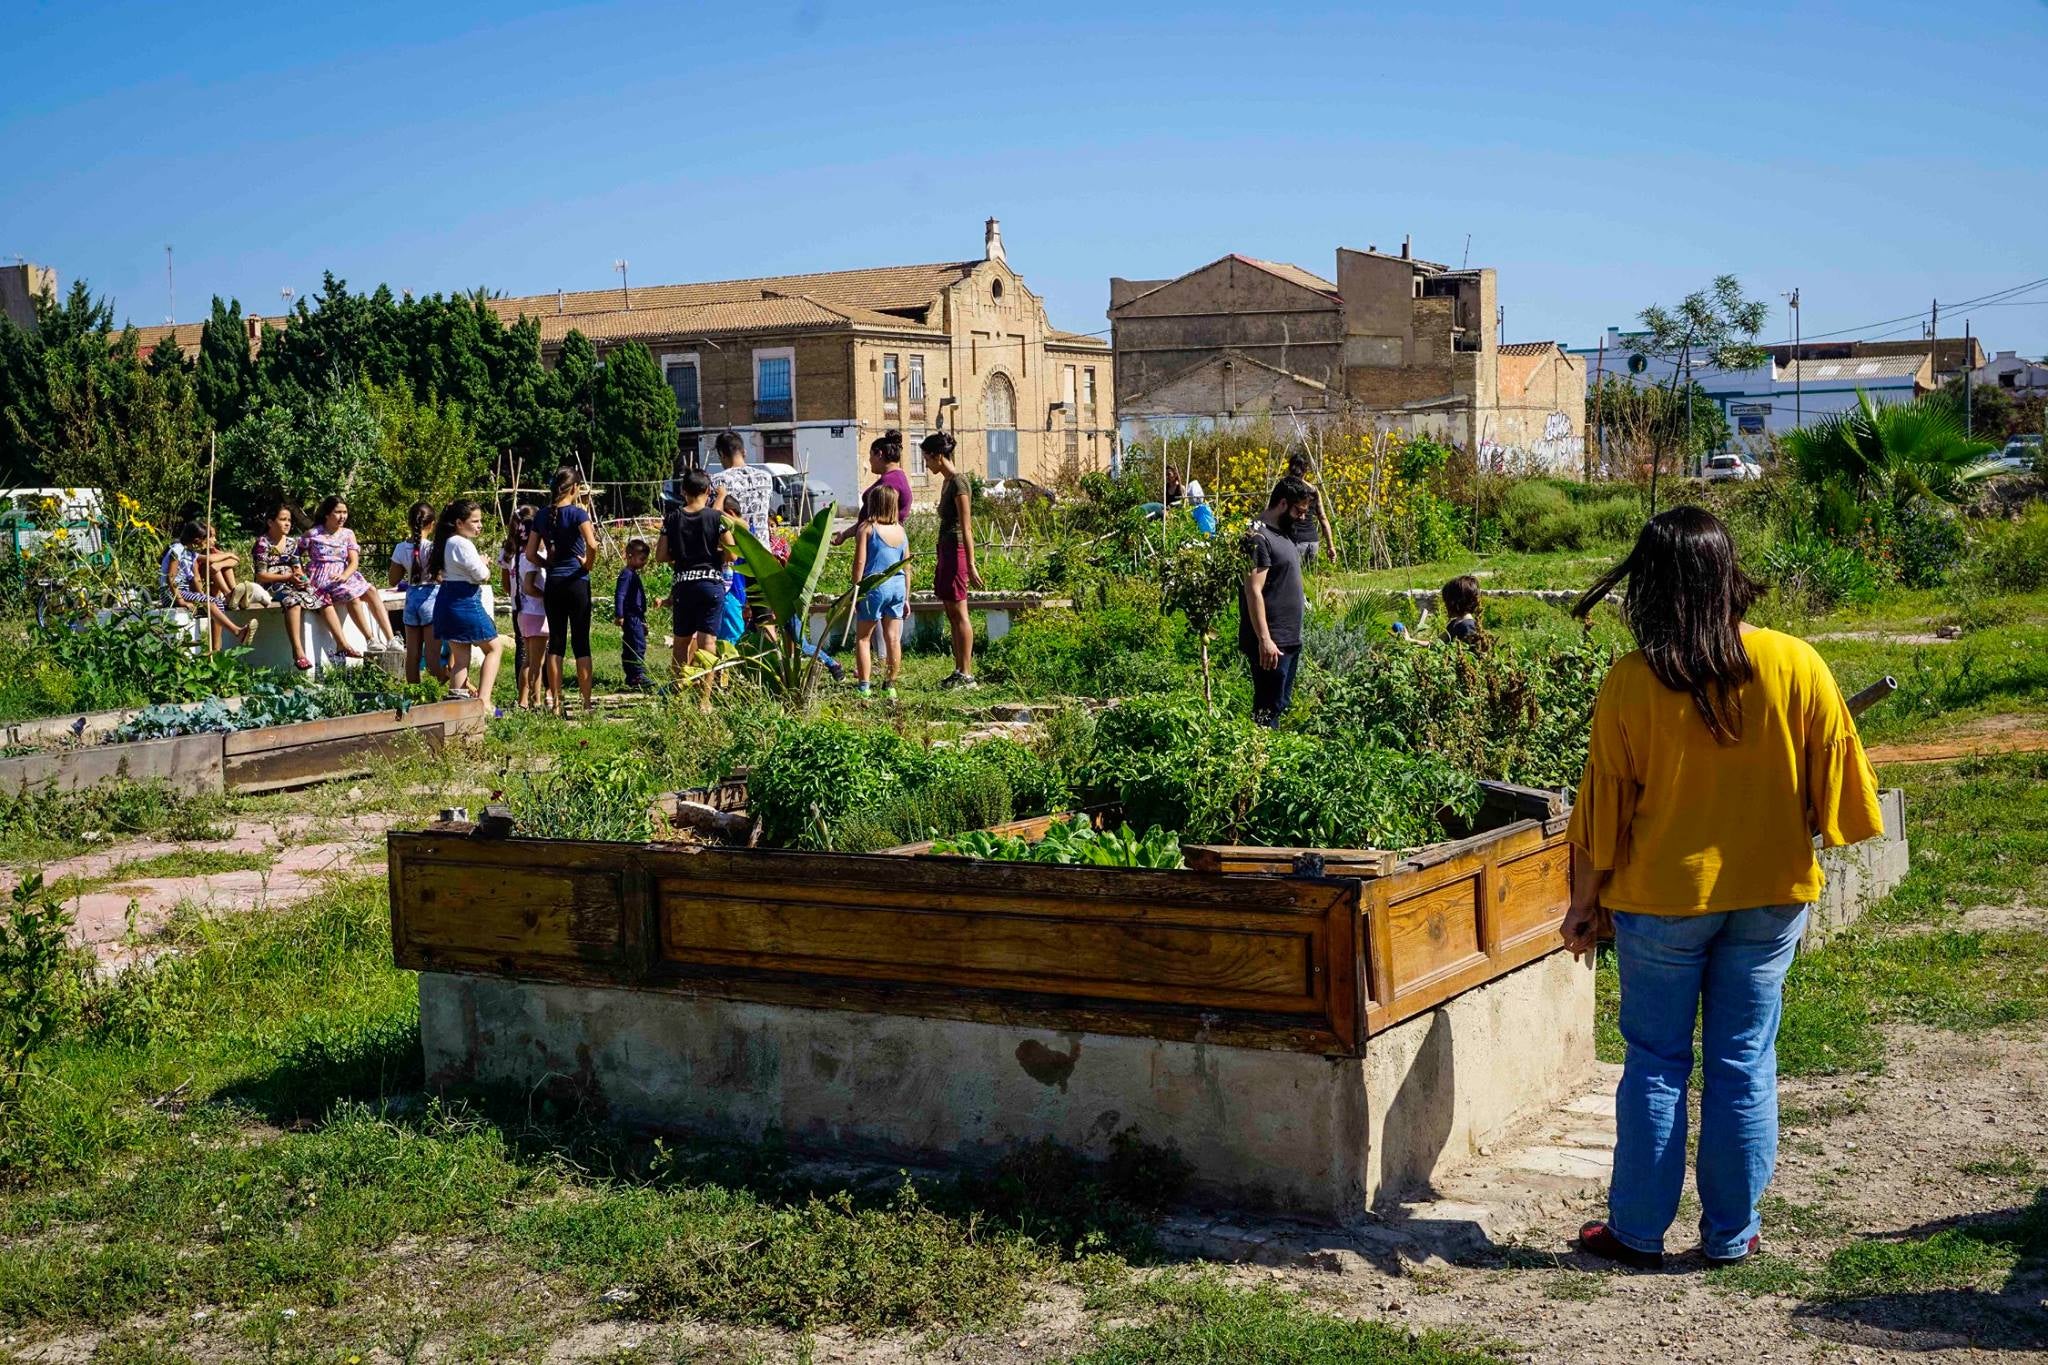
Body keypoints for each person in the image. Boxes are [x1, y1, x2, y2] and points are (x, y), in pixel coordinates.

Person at [1560, 507, 1884, 1272]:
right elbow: (1841, 791)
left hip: (1658, 905)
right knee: (1743, 1060)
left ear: (1652, 588)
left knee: (1657, 1060)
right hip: (1769, 896)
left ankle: (1636, 1232)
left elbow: (1600, 811)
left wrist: (1582, 908)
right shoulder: (1797, 663)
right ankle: (1733, 1232)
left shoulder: (1632, 682)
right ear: (1728, 574)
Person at [654, 468, 735, 713]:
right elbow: (732, 553)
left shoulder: (672, 518)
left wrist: (680, 557)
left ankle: (678, 696)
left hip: (683, 585)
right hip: (710, 585)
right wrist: (714, 555)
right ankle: (704, 700)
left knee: (681, 643)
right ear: (708, 492)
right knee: (707, 642)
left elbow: (660, 555)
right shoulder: (716, 518)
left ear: (682, 492)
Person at [525, 467, 599, 715]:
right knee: (581, 643)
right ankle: (586, 704)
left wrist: (549, 565)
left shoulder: (543, 515)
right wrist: (587, 564)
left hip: (554, 584)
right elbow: (592, 544)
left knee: (556, 643)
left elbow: (529, 554)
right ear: (575, 488)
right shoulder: (579, 514)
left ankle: (556, 703)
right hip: (577, 581)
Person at [1240, 478, 1311, 727]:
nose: (1302, 518)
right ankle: (1260, 760)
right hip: (1272, 642)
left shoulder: (1282, 532)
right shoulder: (1258, 536)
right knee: (1267, 710)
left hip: (1288, 638)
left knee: (1279, 704)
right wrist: (1265, 640)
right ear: (1282, 503)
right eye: (1299, 511)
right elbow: (1253, 591)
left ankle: (1268, 756)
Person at [428, 499, 505, 702]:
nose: (480, 525)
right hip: (465, 601)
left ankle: (458, 705)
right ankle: (484, 701)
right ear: (459, 523)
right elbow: (482, 575)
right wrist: (483, 562)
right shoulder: (463, 544)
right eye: (475, 521)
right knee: (494, 648)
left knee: (461, 658)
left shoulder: (446, 541)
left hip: (447, 600)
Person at [252, 501, 341, 669]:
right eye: (282, 519)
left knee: (322, 595)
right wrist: (288, 578)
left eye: (289, 520)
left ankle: (341, 643)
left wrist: (301, 578)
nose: (287, 523)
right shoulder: (263, 543)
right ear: (271, 522)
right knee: (292, 601)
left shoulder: (292, 543)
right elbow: (261, 575)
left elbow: (297, 568)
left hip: (291, 580)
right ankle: (298, 651)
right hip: (272, 584)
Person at [924, 431, 982, 687]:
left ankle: (967, 674)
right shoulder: (946, 482)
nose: (926, 464)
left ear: (938, 456)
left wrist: (970, 563)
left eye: (927, 458)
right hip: (944, 549)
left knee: (960, 613)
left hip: (957, 551)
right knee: (950, 612)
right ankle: (958, 669)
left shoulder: (959, 483)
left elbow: (967, 527)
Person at [306, 495, 394, 652]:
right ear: (327, 514)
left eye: (345, 512)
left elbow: (354, 561)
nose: (342, 516)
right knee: (352, 595)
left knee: (371, 591)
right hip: (323, 575)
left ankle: (391, 638)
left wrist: (344, 576)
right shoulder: (313, 534)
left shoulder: (348, 534)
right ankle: (370, 639)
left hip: (344, 574)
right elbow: (294, 555)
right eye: (338, 512)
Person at [851, 484, 910, 699]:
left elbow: (860, 563)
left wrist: (856, 591)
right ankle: (890, 684)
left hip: (874, 586)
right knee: (893, 639)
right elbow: (906, 565)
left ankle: (864, 686)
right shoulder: (901, 531)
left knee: (864, 638)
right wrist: (907, 596)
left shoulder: (867, 529)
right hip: (897, 586)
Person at [163, 520, 258, 650]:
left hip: (185, 592)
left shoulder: (190, 553)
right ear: (197, 540)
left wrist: (201, 595)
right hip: (171, 593)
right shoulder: (177, 550)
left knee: (217, 603)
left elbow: (207, 561)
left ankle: (216, 650)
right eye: (206, 538)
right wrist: (180, 601)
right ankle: (237, 631)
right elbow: (171, 578)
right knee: (210, 601)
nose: (208, 541)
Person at [389, 501, 446, 685]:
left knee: (412, 655)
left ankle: (413, 696)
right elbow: (440, 578)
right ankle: (457, 684)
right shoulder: (433, 548)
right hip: (432, 600)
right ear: (432, 523)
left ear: (408, 523)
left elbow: (393, 580)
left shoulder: (400, 548)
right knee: (432, 658)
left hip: (411, 601)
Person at [832, 431, 912, 547]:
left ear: (879, 454)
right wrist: (845, 534)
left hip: (880, 545)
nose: (869, 460)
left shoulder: (890, 483)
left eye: (870, 455)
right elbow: (869, 519)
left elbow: (880, 521)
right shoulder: (896, 478)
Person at [1270, 451, 1339, 570]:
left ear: (1289, 468)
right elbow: (1323, 518)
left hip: (1294, 541)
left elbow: (1272, 513)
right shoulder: (1313, 490)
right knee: (1309, 581)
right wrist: (1330, 546)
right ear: (1305, 470)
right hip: (1313, 541)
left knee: (1293, 581)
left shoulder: (1285, 487)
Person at [708, 430, 773, 543]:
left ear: (722, 454)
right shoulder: (766, 477)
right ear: (744, 452)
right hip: (763, 552)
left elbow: (713, 519)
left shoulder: (716, 481)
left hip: (736, 552)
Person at [499, 507, 536, 695]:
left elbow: (505, 584)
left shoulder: (507, 549)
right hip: (538, 606)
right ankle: (538, 691)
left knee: (522, 649)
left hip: (517, 606)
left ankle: (522, 692)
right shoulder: (536, 548)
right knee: (539, 650)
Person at [516, 534, 550, 709]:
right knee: (536, 662)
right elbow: (529, 587)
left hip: (525, 612)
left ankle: (524, 700)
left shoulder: (520, 556)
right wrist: (548, 596)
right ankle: (535, 700)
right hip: (537, 611)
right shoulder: (534, 559)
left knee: (529, 660)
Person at [615, 538, 651, 689]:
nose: (644, 562)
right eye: (642, 559)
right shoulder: (627, 574)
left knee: (634, 643)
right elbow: (620, 595)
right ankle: (636, 674)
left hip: (636, 616)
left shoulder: (632, 574)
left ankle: (632, 675)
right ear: (630, 556)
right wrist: (620, 614)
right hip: (630, 616)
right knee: (637, 644)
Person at [1441, 574, 1485, 649]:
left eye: (1446, 601)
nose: (1445, 605)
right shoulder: (1454, 623)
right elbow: (1437, 643)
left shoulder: (1468, 627)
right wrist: (1416, 642)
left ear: (1454, 602)